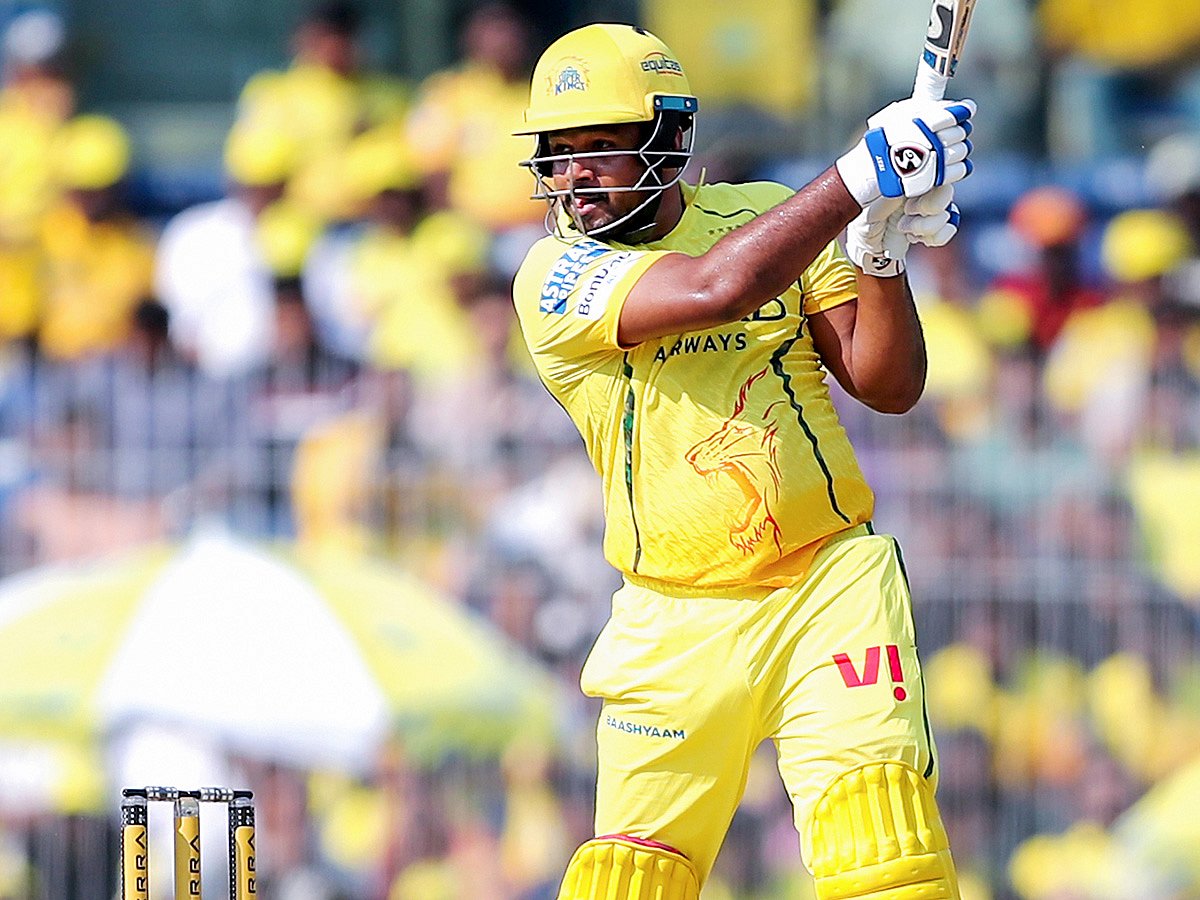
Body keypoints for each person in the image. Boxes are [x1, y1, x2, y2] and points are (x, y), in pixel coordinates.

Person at [508, 23, 975, 899]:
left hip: (826, 586)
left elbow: (887, 385)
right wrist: (859, 177)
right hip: (670, 616)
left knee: (886, 853)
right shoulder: (553, 274)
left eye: (599, 147)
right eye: (559, 153)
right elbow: (714, 288)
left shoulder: (767, 214)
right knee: (627, 881)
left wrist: (879, 253)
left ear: (670, 137)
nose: (574, 176)